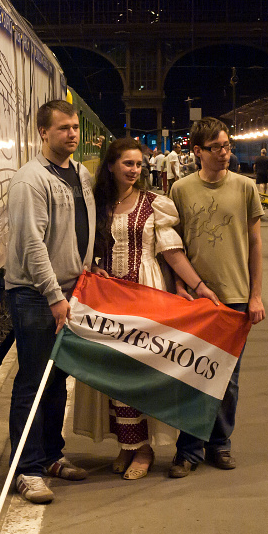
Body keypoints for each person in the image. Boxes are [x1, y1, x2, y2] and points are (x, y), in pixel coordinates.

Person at [73, 138, 220, 480]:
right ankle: (127, 445)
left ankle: (143, 449)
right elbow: (87, 249)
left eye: (139, 164)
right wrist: (93, 268)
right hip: (108, 299)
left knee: (136, 374)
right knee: (111, 374)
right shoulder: (98, 205)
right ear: (111, 166)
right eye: (128, 163)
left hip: (144, 293)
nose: (135, 170)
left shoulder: (156, 204)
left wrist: (198, 287)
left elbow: (171, 252)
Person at [4, 99, 96, 504]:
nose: (72, 134)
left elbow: (84, 229)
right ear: (43, 132)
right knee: (33, 380)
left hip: (71, 289)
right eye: (63, 128)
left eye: (75, 127)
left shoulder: (81, 174)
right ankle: (27, 468)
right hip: (37, 295)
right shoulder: (31, 180)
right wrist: (56, 296)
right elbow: (31, 244)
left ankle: (52, 456)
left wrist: (86, 276)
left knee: (58, 377)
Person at [168, 117, 265, 477]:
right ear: (197, 151)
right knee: (191, 373)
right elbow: (172, 245)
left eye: (227, 146)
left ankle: (219, 444)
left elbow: (255, 244)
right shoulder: (180, 190)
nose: (225, 153)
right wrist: (179, 285)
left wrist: (256, 295)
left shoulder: (245, 188)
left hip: (236, 296)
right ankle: (188, 449)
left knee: (228, 378)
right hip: (195, 300)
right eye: (216, 148)